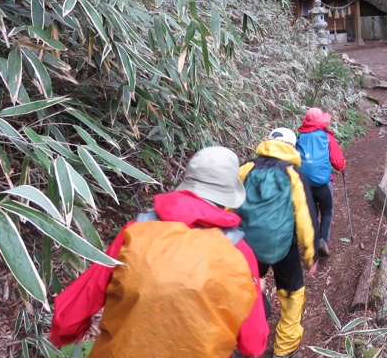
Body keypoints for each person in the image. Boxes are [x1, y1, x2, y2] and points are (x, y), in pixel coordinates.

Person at [49, 147, 269, 358]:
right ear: (227, 197)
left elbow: (73, 309)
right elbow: (253, 343)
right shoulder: (238, 252)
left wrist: (65, 333)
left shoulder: (136, 230)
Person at [239, 128, 318, 358]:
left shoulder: (246, 168)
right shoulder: (293, 172)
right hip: (283, 245)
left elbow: (228, 204)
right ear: (292, 147)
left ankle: (244, 340)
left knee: (247, 289)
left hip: (247, 247)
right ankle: (285, 348)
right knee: (293, 291)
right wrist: (311, 254)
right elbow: (305, 215)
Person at [296, 107, 346, 258]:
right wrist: (342, 166)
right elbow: (338, 162)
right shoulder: (326, 137)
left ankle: (313, 242)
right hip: (323, 184)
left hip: (304, 185)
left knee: (312, 214)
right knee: (327, 212)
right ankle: (323, 239)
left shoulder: (299, 139)